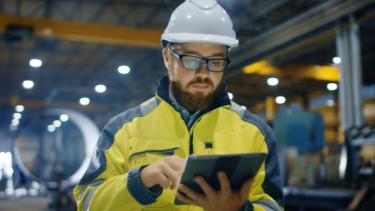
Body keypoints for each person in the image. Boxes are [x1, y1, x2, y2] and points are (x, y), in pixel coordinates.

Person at [73, 0, 283, 210]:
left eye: (215, 61)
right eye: (191, 60)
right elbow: (87, 202)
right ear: (167, 58)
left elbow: (272, 206)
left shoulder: (257, 134)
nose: (203, 73)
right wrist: (139, 182)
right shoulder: (123, 130)